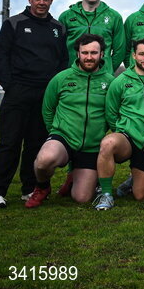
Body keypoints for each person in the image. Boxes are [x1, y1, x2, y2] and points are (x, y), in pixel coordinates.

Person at [0, 0, 68, 208]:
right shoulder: (14, 24)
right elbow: (1, 57)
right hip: (18, 92)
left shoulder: (58, 28)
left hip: (44, 96)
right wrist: (10, 86)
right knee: (9, 143)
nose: (42, 2)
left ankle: (29, 188)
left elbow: (63, 61)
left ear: (51, 0)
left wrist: (54, 90)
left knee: (35, 144)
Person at [24, 34, 114, 208]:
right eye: (84, 52)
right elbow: (48, 108)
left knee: (81, 198)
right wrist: (55, 133)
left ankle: (75, 176)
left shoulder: (110, 82)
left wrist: (101, 132)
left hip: (91, 146)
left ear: (102, 54)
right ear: (77, 53)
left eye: (94, 53)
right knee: (44, 160)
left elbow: (113, 113)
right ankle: (42, 187)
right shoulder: (61, 78)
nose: (89, 57)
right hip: (64, 139)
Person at [94, 39, 144, 210]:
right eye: (141, 54)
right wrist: (121, 129)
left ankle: (133, 179)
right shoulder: (120, 81)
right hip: (127, 138)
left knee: (140, 195)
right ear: (134, 55)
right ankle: (105, 194)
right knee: (108, 142)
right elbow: (111, 112)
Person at [59, 0, 125, 70]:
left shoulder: (114, 17)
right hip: (72, 77)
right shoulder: (66, 16)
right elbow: (59, 50)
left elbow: (120, 51)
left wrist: (107, 70)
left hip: (102, 79)